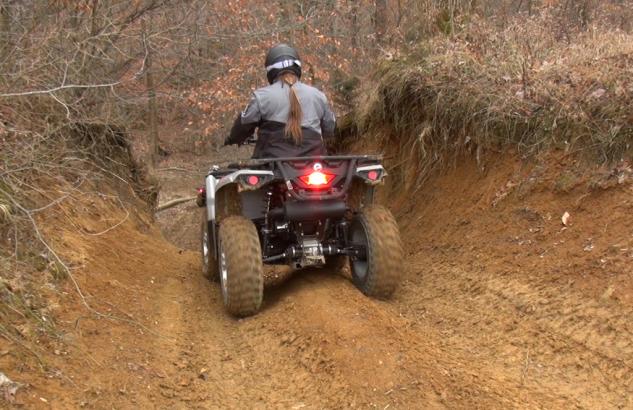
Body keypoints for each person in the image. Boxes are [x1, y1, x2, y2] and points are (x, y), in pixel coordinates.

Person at [225, 44, 336, 158]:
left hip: (274, 163)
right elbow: (329, 128)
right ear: (297, 68)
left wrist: (233, 139)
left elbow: (244, 125)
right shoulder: (318, 96)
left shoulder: (261, 97)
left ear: (270, 71)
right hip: (313, 161)